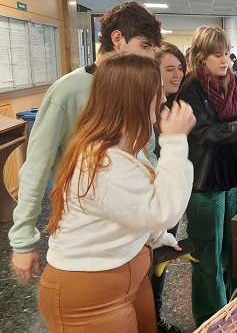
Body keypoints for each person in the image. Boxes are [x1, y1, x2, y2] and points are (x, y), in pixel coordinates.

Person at [38, 53, 196, 332]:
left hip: (127, 278)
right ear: (133, 98)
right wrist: (174, 141)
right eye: (155, 91)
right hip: (90, 295)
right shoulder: (101, 160)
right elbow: (162, 210)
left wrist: (159, 238)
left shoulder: (124, 145)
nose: (161, 99)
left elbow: (139, 203)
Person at [9, 1, 162, 281]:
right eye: (145, 46)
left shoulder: (137, 88)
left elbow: (146, 151)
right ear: (118, 39)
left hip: (132, 236)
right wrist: (23, 239)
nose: (151, 56)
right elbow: (36, 166)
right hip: (85, 245)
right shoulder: (67, 91)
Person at [175, 25, 237, 327]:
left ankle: (233, 312)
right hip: (204, 185)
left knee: (233, 253)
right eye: (217, 54)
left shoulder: (234, 82)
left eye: (227, 52)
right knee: (208, 260)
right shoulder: (190, 88)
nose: (224, 59)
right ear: (201, 56)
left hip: (233, 180)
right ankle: (210, 320)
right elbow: (201, 133)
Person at [150, 42, 187, 333]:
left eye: (180, 68)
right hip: (153, 202)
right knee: (149, 263)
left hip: (164, 198)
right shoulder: (150, 110)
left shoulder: (172, 104)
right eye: (169, 69)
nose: (176, 75)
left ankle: (154, 316)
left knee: (160, 259)